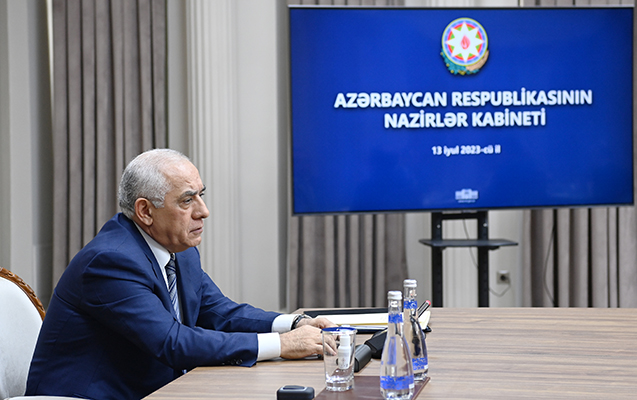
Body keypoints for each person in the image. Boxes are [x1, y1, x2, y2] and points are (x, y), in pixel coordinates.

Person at [26, 149, 334, 400]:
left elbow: (220, 313)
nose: (203, 211)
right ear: (145, 211)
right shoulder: (110, 262)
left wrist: (294, 324)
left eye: (201, 195)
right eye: (187, 200)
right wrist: (283, 345)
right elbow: (172, 342)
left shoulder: (180, 250)